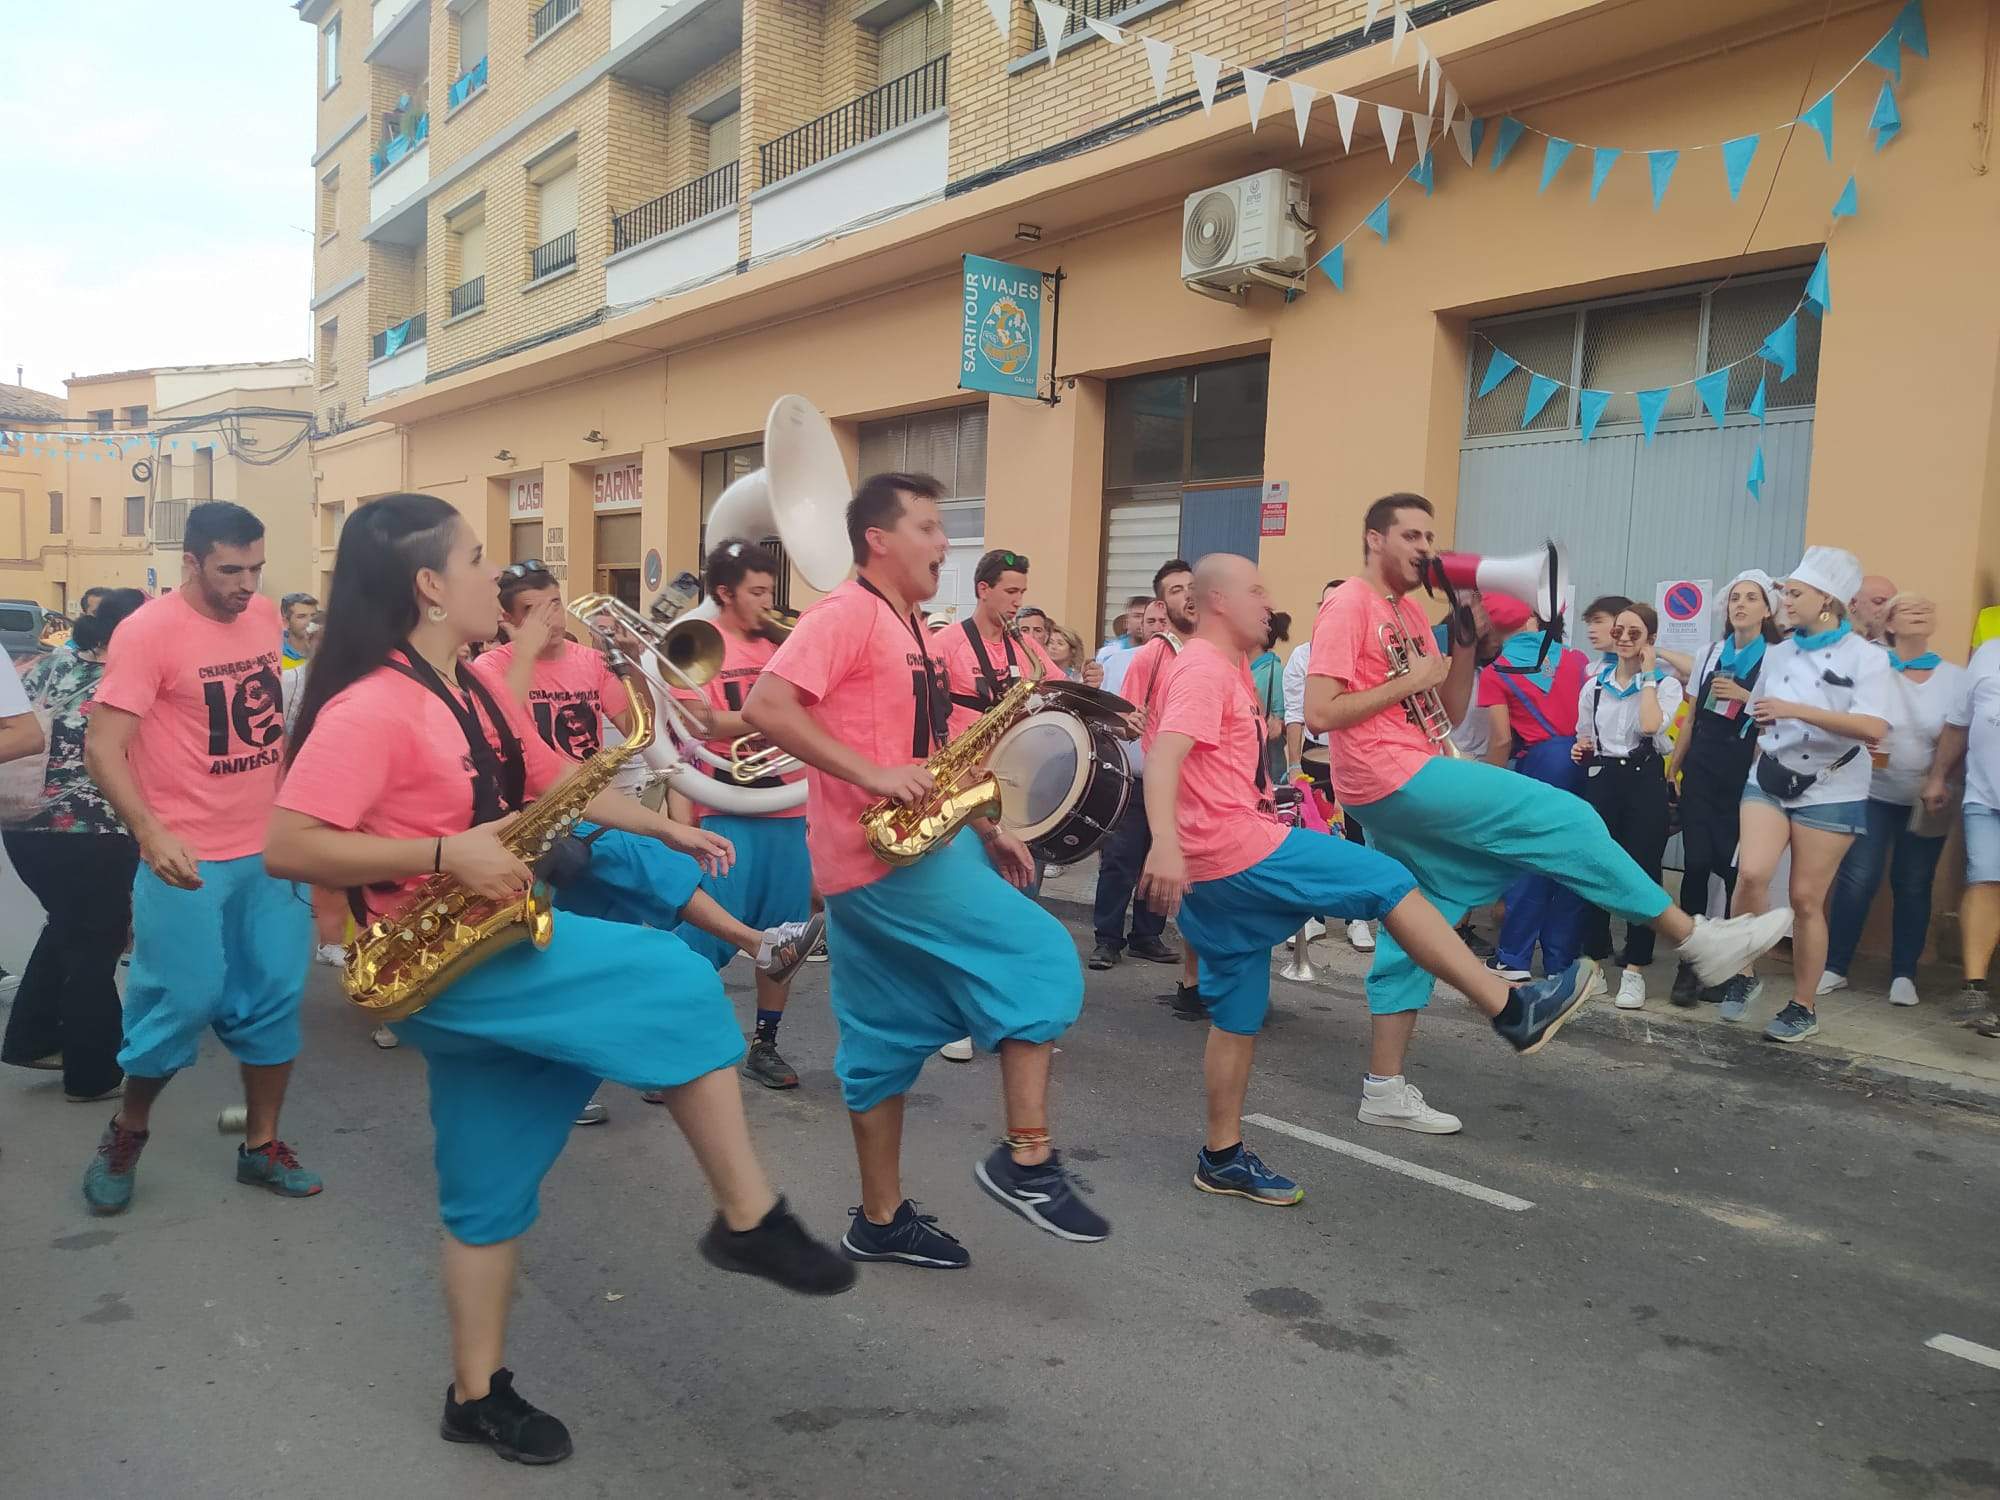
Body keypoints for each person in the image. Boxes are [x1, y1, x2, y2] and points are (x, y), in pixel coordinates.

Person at [266, 493, 850, 1465]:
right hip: (447, 960)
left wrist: (663, 825)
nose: (492, 576)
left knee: (485, 1193)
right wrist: (446, 853)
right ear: (428, 584)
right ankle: (748, 1219)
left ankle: (474, 1397)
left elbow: (555, 781)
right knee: (672, 978)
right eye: (475, 558)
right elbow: (288, 843)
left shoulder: (468, 685)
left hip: (481, 949)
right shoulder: (371, 703)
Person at [1303, 494, 1794, 1131]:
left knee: (1416, 922)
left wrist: (1463, 644)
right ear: (1375, 539)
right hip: (1388, 774)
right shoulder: (1349, 603)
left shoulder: (1411, 613)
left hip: (1408, 768)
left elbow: (1445, 712)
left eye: (1430, 536)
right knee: (1566, 818)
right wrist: (1411, 678)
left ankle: (1384, 1087)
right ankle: (1697, 940)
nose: (1425, 548)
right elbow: (1320, 712)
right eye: (1411, 536)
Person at [1139, 554, 1597, 1201]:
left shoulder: (1228, 665)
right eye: (1257, 591)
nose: (1269, 602)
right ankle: (1509, 1006)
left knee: (1237, 1016)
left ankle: (1221, 1157)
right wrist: (1163, 843)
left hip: (1214, 865)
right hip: (1235, 849)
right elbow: (1164, 757)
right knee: (1387, 879)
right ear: (1219, 601)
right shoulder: (1203, 668)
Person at [742, 472, 1108, 1269]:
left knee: (877, 1043)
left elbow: (922, 751)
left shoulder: (909, 624)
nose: (945, 543)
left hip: (889, 854)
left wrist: (985, 823)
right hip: (882, 858)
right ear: (879, 539)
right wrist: (871, 775)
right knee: (1040, 958)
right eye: (929, 528)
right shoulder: (846, 613)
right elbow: (766, 706)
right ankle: (1028, 1159)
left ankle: (880, 1220)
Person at [471, 560, 821, 1116]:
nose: (551, 619)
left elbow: (639, 725)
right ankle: (758, 944)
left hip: (591, 807)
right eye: (533, 611)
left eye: (555, 604)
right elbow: (502, 730)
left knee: (584, 953)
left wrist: (634, 661)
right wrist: (524, 654)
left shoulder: (588, 661)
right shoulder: (490, 666)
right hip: (528, 818)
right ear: (508, 621)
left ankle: (580, 1071)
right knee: (641, 864)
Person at [77, 502, 317, 1214]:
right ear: (191, 562)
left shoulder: (264, 615)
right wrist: (150, 832)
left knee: (275, 999)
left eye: (256, 569)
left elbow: (271, 722)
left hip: (271, 852)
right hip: (185, 856)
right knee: (183, 998)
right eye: (230, 570)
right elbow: (102, 748)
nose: (247, 585)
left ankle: (261, 1146)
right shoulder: (147, 632)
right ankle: (128, 1130)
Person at [653, 537, 822, 1088]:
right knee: (704, 939)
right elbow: (699, 722)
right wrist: (773, 716)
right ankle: (667, 1046)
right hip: (727, 806)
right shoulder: (698, 641)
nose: (768, 602)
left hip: (788, 808)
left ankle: (765, 1045)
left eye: (770, 591)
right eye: (757, 592)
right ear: (725, 593)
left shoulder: (783, 642)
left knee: (786, 937)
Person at [1722, 547, 1894, 1042]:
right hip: (1770, 775)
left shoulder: (1868, 657)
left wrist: (1795, 710)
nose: (1786, 601)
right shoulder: (1778, 653)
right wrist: (1765, 722)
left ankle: (1803, 1006)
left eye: (1795, 593)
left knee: (1804, 899)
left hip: (1832, 785)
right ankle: (1743, 972)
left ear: (1827, 600)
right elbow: (1759, 712)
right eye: (1785, 592)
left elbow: (1872, 726)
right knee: (1751, 872)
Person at [2, 588, 145, 1101]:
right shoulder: (130, 683)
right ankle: (92, 1072)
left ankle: (32, 1037)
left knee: (67, 924)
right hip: (94, 829)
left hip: (21, 825)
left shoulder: (45, 666)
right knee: (96, 941)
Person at [1819, 594, 1966, 1006]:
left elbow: (1960, 733)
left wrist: (1940, 778)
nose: (1920, 612)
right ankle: (1835, 966)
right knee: (1858, 878)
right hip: (1869, 791)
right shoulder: (1871, 667)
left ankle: (1904, 974)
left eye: (1927, 609)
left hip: (1927, 798)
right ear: (1889, 623)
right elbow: (1841, 712)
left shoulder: (1955, 677)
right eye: (1908, 609)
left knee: (1914, 882)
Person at [1664, 570, 1782, 1003]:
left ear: (1767, 609)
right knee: (1695, 866)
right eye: (1735, 598)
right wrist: (1673, 768)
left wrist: (1743, 695)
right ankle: (1690, 964)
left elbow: (1777, 719)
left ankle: (1731, 966)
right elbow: (1692, 717)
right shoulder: (1710, 652)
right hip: (1701, 771)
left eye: (1751, 598)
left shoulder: (1777, 659)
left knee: (1733, 872)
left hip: (1743, 776)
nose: (1740, 605)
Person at [1573, 603, 1684, 1011]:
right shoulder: (1594, 685)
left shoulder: (1665, 686)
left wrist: (1649, 675)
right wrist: (1581, 748)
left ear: (1650, 640)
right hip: (1604, 779)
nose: (1623, 638)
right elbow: (1585, 734)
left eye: (1634, 633)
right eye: (1618, 630)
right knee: (1597, 869)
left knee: (1643, 872)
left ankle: (1635, 967)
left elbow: (1651, 726)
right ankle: (1595, 964)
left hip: (1644, 779)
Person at [1088, 562, 1194, 972]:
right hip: (1139, 777)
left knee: (1159, 861)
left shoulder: (1208, 650)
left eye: (1190, 587)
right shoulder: (1149, 655)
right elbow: (1123, 718)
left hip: (1182, 781)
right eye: (1175, 589)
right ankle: (1107, 939)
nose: (1186, 595)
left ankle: (1147, 935)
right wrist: (1131, 723)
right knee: (1121, 860)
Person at [1480, 608, 1593, 981]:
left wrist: (1486, 787)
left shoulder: (1497, 671)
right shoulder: (1577, 660)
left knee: (1530, 862)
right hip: (1582, 761)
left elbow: (1501, 740)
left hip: (1540, 764)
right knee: (1571, 863)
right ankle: (1561, 962)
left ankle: (1514, 958)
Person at [1928, 634, 2000, 1033]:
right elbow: (1958, 724)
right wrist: (1938, 775)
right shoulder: (1989, 652)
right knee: (1984, 881)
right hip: (1986, 796)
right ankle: (1975, 989)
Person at [1250, 611, 1289, 786]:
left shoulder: (1275, 672)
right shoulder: (1238, 667)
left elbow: (1286, 721)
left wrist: (1278, 724)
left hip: (1269, 771)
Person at [1096, 595, 1152, 665]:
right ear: (1126, 622)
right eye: (1137, 616)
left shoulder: (1161, 654)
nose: (1142, 621)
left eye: (1147, 616)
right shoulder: (1108, 654)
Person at [1850, 574, 1898, 644]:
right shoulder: (1837, 642)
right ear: (1853, 604)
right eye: (1879, 602)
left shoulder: (1903, 645)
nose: (1888, 609)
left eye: (1893, 604)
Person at [280, 591, 319, 669]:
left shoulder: (326, 653)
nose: (310, 621)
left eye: (314, 615)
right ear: (286, 622)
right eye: (301, 616)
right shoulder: (275, 657)